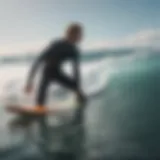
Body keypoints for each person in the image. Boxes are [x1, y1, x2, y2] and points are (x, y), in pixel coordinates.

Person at [24, 23, 86, 125]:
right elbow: (38, 61)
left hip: (57, 73)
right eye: (79, 34)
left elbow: (76, 72)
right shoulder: (56, 45)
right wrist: (29, 82)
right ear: (69, 34)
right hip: (47, 72)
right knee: (40, 103)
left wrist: (77, 90)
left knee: (81, 95)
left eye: (81, 35)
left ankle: (78, 117)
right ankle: (35, 116)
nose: (81, 37)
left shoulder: (74, 51)